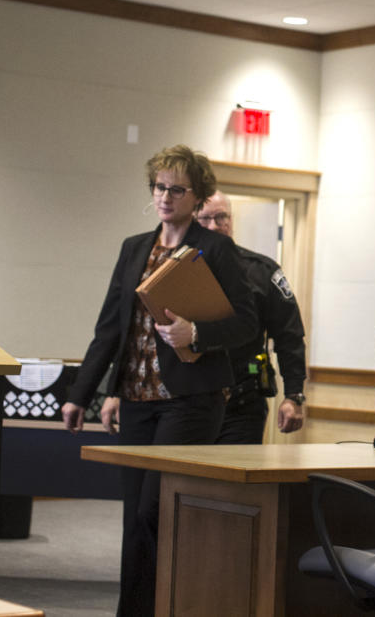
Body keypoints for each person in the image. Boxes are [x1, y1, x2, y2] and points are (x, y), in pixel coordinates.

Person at [62, 145, 258, 617]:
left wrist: (200, 333)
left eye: (177, 189)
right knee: (135, 518)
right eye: (159, 187)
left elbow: (248, 323)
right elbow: (110, 327)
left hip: (189, 400)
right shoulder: (135, 248)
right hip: (136, 400)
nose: (165, 196)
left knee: (156, 510)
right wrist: (81, 395)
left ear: (197, 197)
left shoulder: (217, 249)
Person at [195, 190, 307, 442]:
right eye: (204, 219)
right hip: (188, 403)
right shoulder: (177, 272)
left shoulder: (261, 271)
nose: (214, 226)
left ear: (231, 220)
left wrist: (293, 395)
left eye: (221, 217)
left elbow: (290, 337)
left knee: (233, 479)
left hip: (243, 402)